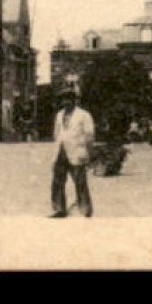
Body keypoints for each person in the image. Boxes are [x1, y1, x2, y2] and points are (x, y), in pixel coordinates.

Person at [51, 86, 95, 218]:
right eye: (63, 99)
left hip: (77, 151)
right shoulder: (59, 115)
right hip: (61, 152)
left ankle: (85, 210)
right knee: (57, 181)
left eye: (69, 99)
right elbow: (57, 133)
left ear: (74, 100)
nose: (66, 102)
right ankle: (59, 209)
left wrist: (88, 152)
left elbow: (89, 134)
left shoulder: (83, 115)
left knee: (80, 182)